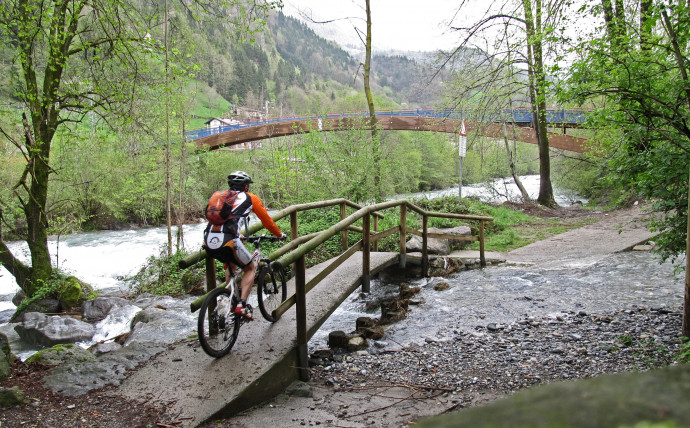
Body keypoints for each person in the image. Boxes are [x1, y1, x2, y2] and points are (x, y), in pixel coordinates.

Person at [203, 170, 285, 319]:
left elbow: (224, 220)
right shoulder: (250, 198)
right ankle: (241, 305)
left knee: (232, 265)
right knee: (250, 268)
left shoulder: (221, 199)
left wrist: (237, 234)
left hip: (209, 240)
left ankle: (229, 300)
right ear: (246, 186)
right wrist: (279, 235)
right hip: (228, 240)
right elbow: (266, 221)